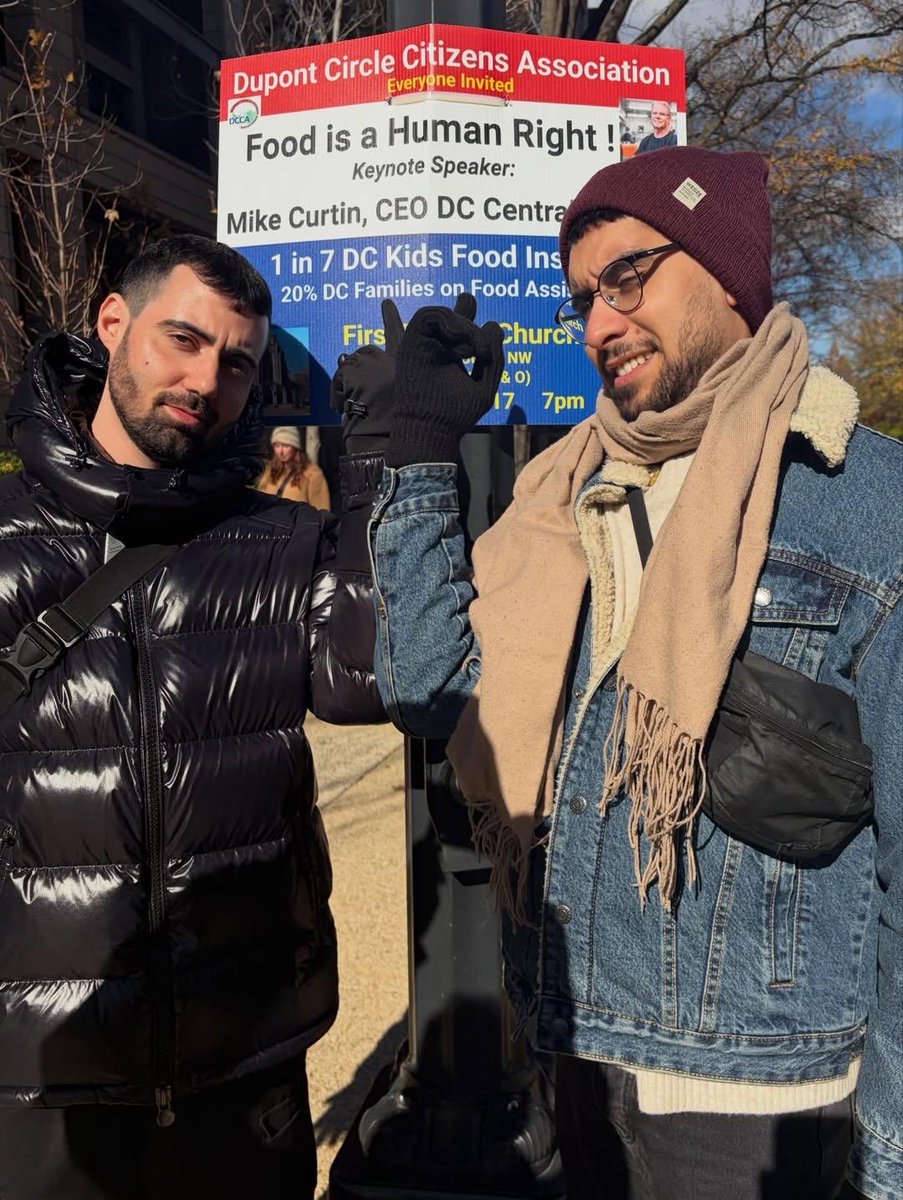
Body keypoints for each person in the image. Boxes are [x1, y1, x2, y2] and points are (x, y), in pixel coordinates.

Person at [361, 148, 900, 1200]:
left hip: (762, 1101)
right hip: (571, 1059)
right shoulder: (562, 491)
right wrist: (421, 453)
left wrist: (887, 1158)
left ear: (727, 271)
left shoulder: (868, 505)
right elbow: (427, 687)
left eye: (627, 278)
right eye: (582, 301)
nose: (599, 323)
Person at [0, 235, 385, 1200]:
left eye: (237, 362)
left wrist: (388, 467)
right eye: (184, 339)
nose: (206, 380)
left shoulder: (283, 541)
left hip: (241, 1060)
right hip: (38, 1071)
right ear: (112, 323)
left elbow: (368, 685)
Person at [257, 425, 331, 509]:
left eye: (286, 446)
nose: (281, 451)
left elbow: (321, 508)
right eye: (277, 446)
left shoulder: (312, 474)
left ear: (295, 447)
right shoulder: (270, 471)